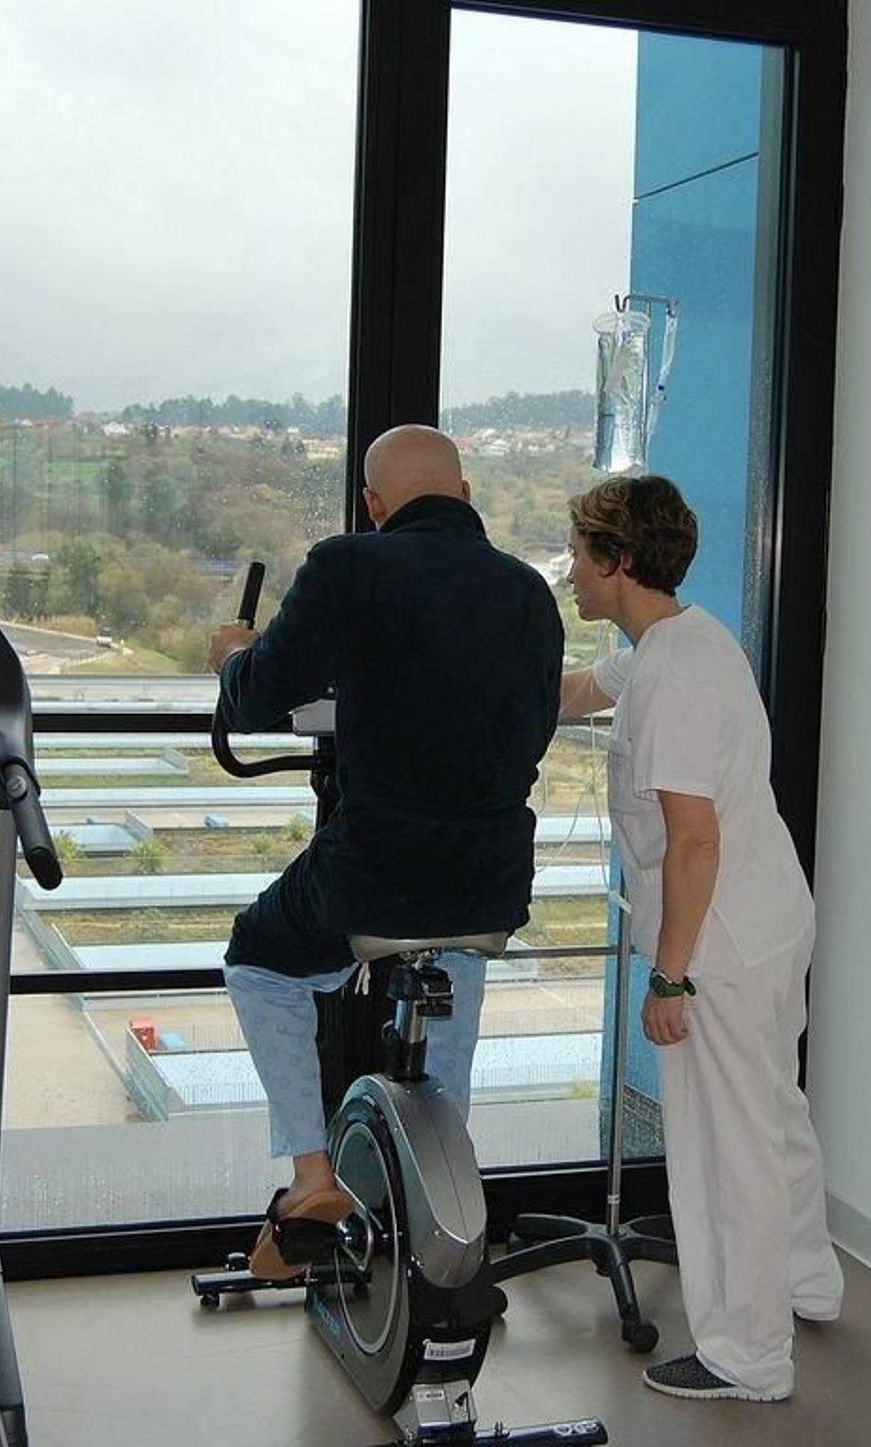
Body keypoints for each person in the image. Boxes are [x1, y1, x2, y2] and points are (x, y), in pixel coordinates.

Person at [207, 423, 563, 1280]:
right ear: (466, 494)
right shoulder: (528, 591)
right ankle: (446, 1209)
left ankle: (310, 1177)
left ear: (373, 504)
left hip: (374, 873)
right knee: (453, 1006)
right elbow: (532, 724)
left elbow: (256, 698)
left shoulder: (347, 566)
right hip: (490, 878)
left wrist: (232, 659)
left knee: (259, 958)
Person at [559, 474, 842, 1403]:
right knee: (772, 1115)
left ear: (618, 561)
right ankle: (808, 1280)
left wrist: (670, 980)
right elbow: (575, 690)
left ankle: (747, 1355)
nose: (570, 570)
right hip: (767, 918)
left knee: (728, 1150)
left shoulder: (673, 675)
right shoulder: (677, 640)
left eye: (579, 553)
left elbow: (694, 840)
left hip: (718, 943)